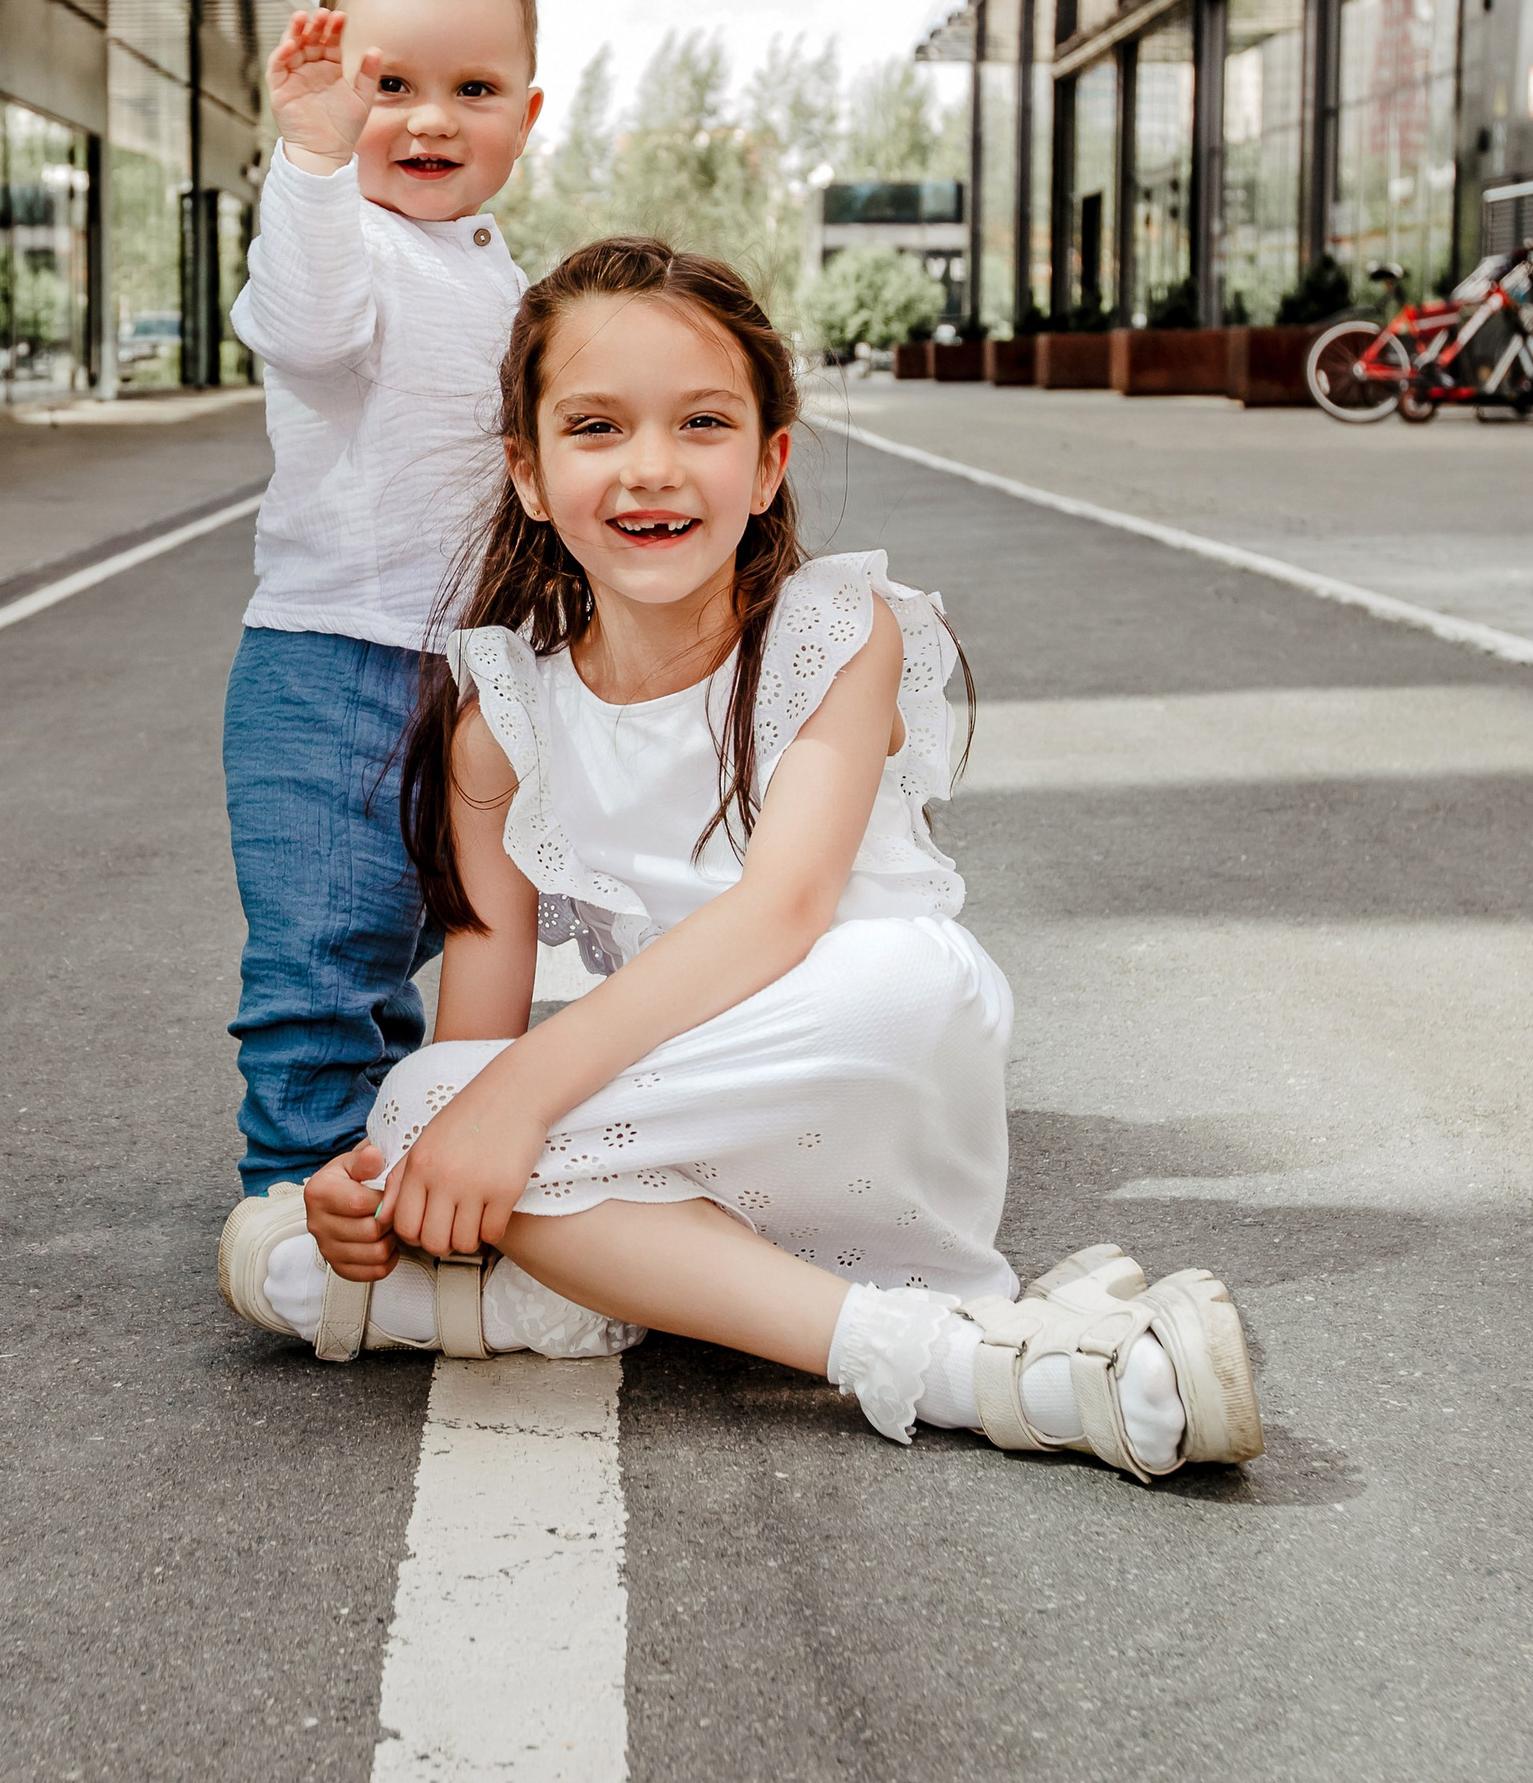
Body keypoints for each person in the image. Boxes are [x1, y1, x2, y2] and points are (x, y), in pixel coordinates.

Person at [223, 234, 1263, 1485]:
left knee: (899, 980)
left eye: (702, 422)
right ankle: (957, 1363)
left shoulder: (835, 628)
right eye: (596, 426)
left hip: (848, 1068)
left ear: (768, 462)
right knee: (423, 1097)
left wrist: (492, 1119)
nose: (650, 467)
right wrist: (389, 1172)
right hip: (664, 1106)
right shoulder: (498, 714)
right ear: (531, 472)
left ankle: (543, 1298)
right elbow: (478, 1038)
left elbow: (782, 915)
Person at [215, 0, 540, 1315]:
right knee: (324, 955)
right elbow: (299, 325)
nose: (427, 118)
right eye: (392, 82)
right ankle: (292, 1204)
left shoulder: (500, 272)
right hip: (333, 661)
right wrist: (307, 156)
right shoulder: (338, 238)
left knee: (443, 934)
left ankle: (384, 1163)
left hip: (472, 673)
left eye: (473, 90)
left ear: (529, 109)